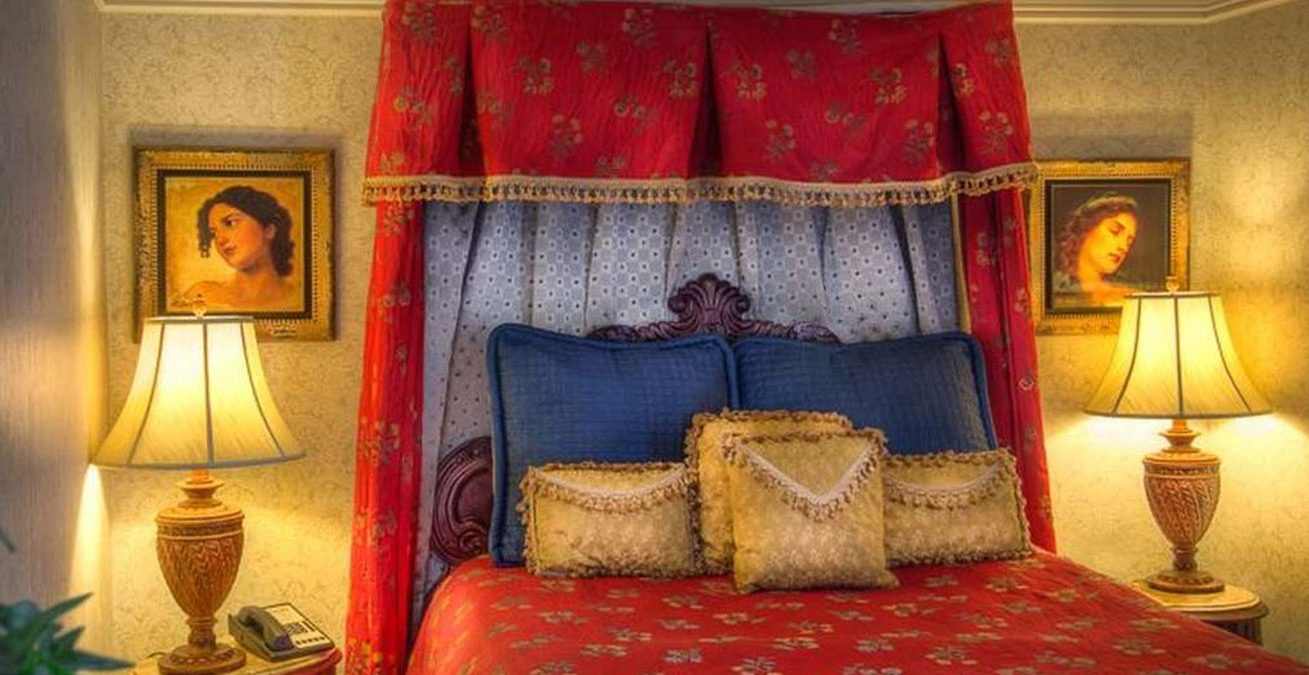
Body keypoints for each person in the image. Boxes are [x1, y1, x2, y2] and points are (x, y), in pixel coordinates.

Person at [176, 185, 297, 311]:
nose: (220, 240)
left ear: (268, 230)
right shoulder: (200, 296)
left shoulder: (294, 298)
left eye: (230, 223)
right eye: (213, 233)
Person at [1053, 192, 1139, 306]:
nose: (1123, 247)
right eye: (1115, 231)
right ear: (1086, 229)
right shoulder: (1054, 287)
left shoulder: (1130, 294)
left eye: (1129, 241)